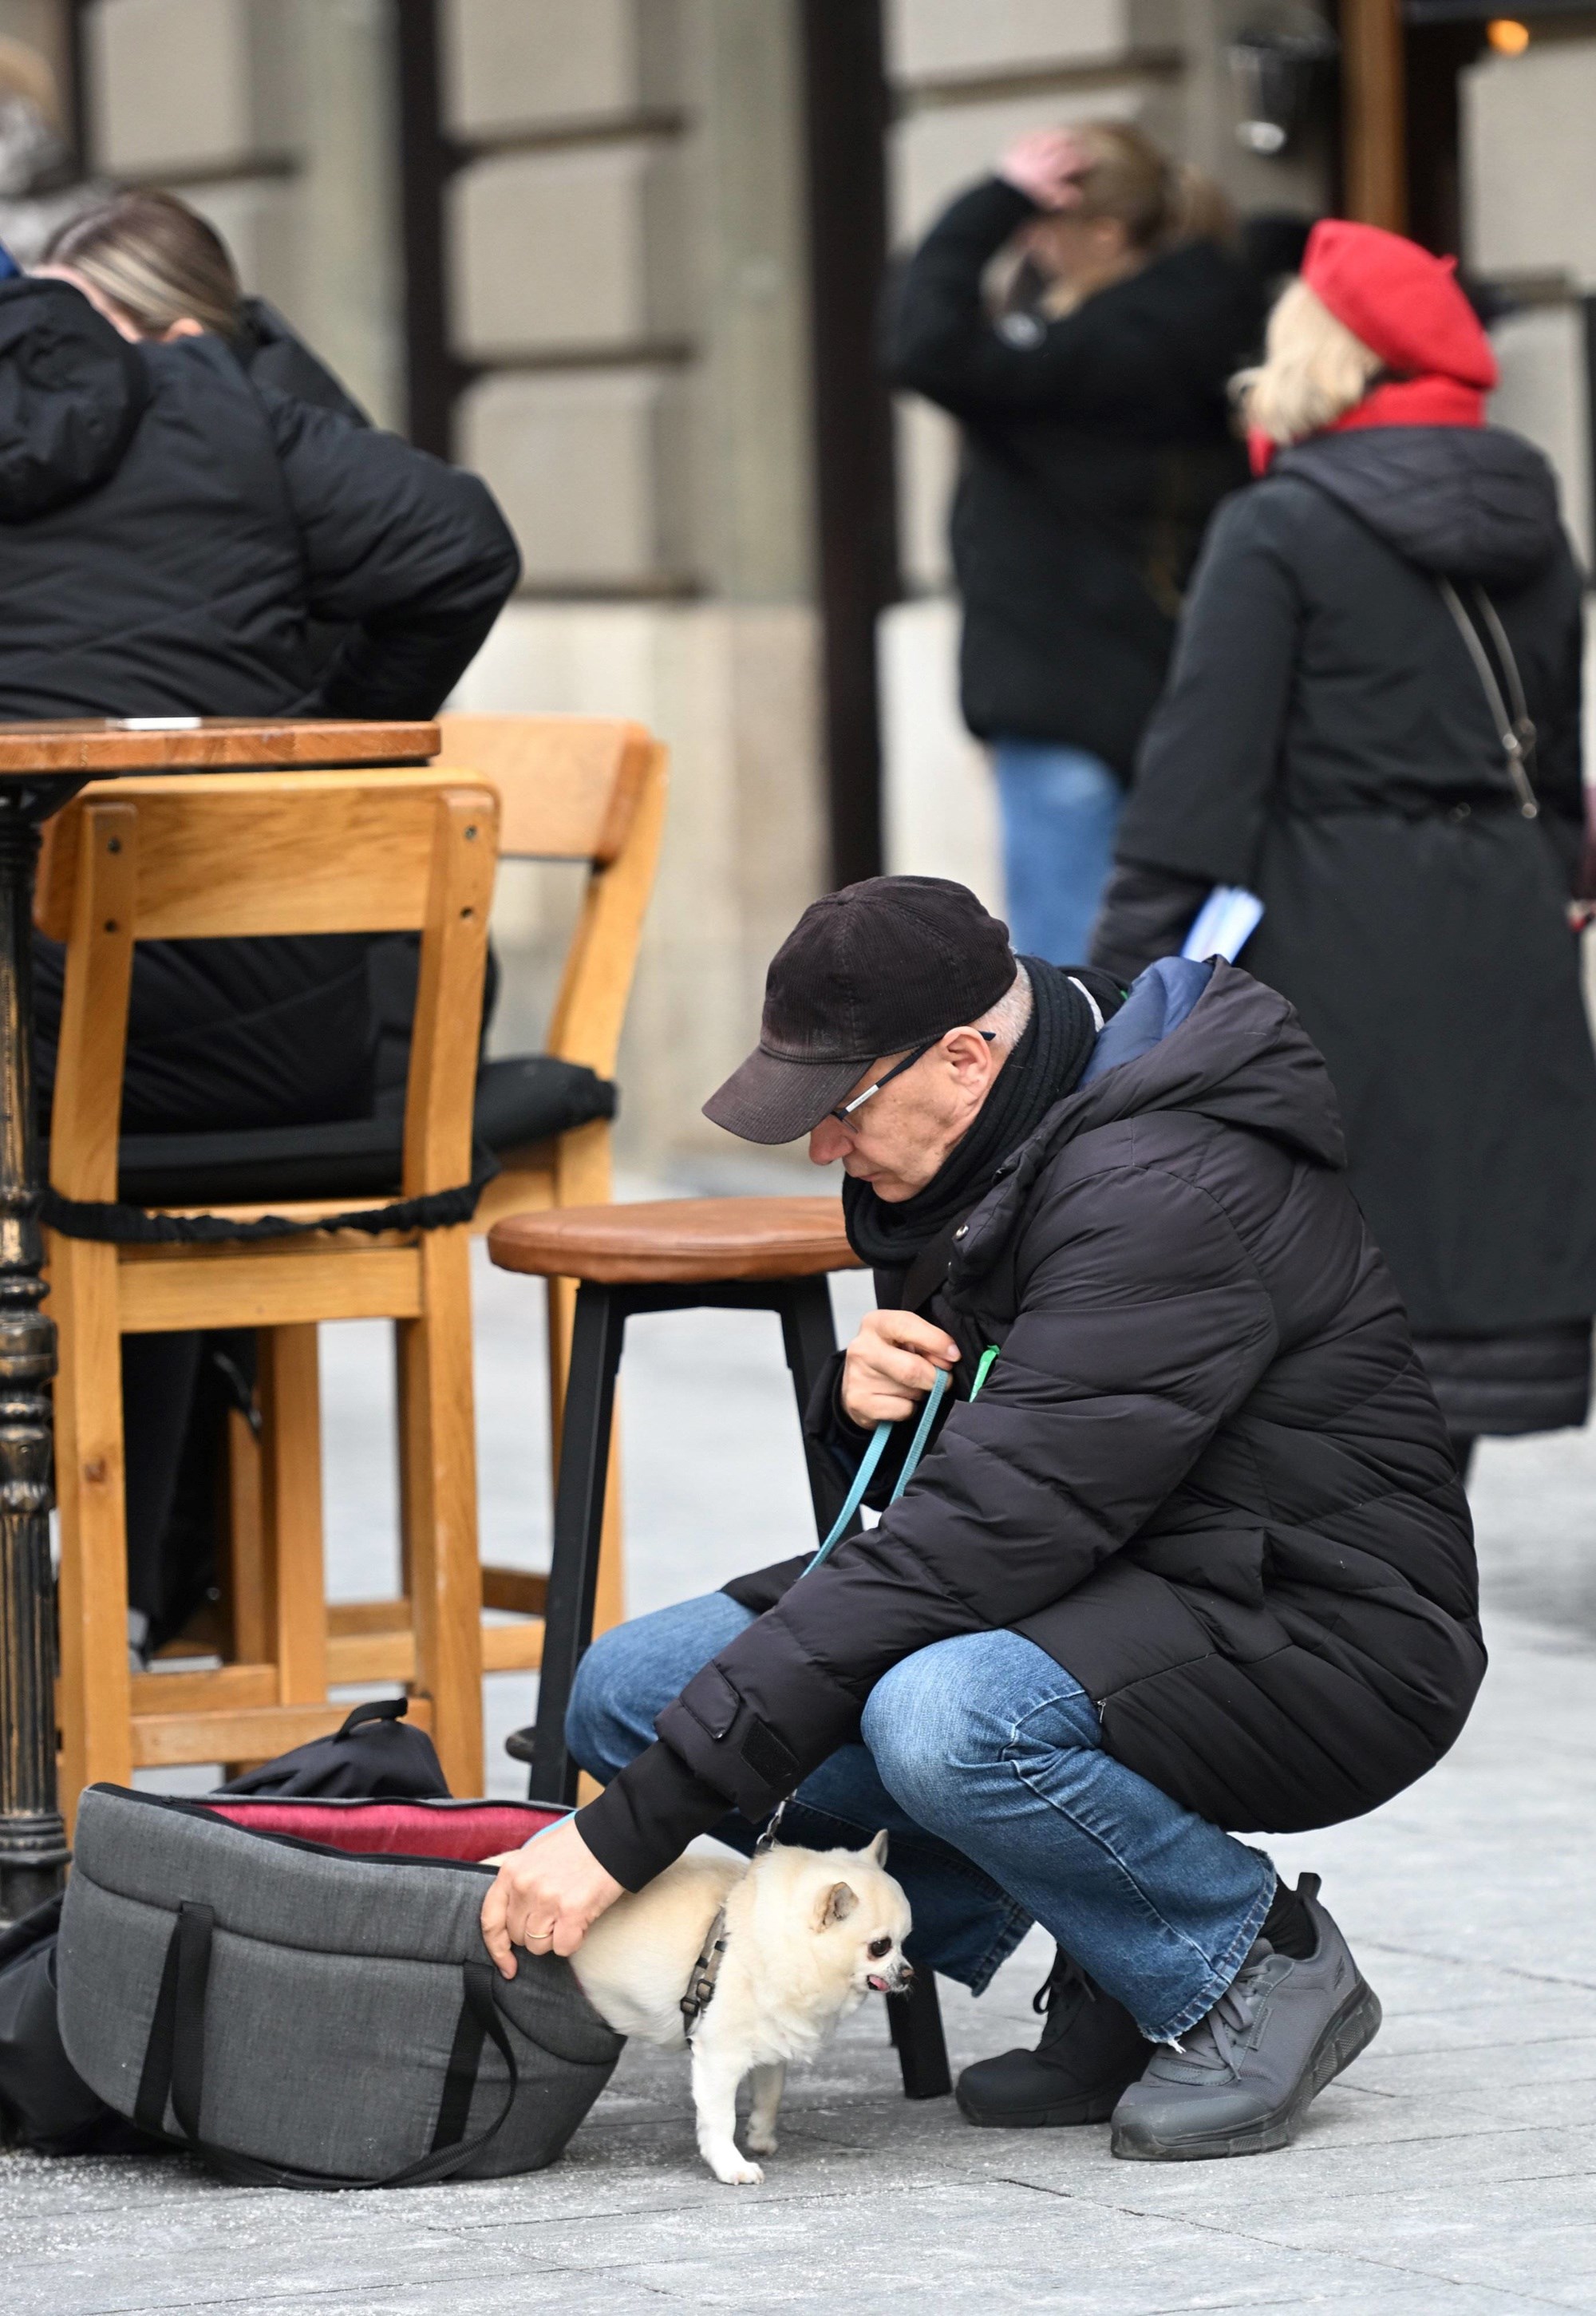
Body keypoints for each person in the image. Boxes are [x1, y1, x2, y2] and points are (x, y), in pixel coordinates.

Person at [482, 876, 1483, 2163]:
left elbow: (970, 1543)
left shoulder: (1159, 1184)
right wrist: (860, 1411)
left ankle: (1250, 1961)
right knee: (628, 1689)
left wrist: (624, 1835)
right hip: (1097, 1580)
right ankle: (1125, 1962)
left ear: (965, 1057)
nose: (822, 1150)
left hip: (1320, 1622)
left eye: (839, 1109)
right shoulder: (997, 1124)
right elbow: (954, 1506)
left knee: (948, 1717)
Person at [0, 200, 519, 1651]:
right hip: (280, 1048)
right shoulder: (224, 409)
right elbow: (464, 548)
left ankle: (90, 1633)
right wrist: (320, 741)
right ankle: (135, 1609)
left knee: (56, 1157)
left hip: (62, 1079)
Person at [1092, 219, 1596, 1474]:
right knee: (1442, 1345)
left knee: (1318, 1332)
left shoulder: (1280, 525)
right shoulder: (1531, 513)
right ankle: (1418, 1621)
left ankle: (1327, 1648)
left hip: (1338, 943)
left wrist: (1103, 996)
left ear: (1318, 351)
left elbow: (1198, 789)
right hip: (1505, 935)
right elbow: (1558, 769)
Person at [884, 124, 1261, 963]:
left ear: (1106, 232)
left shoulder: (1096, 346)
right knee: (1182, 969)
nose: (1031, 241)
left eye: (1045, 221)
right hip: (1170, 690)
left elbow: (922, 343)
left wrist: (988, 202)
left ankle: (1094, 1103)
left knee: (1075, 978)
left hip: (1061, 693)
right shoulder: (1203, 318)